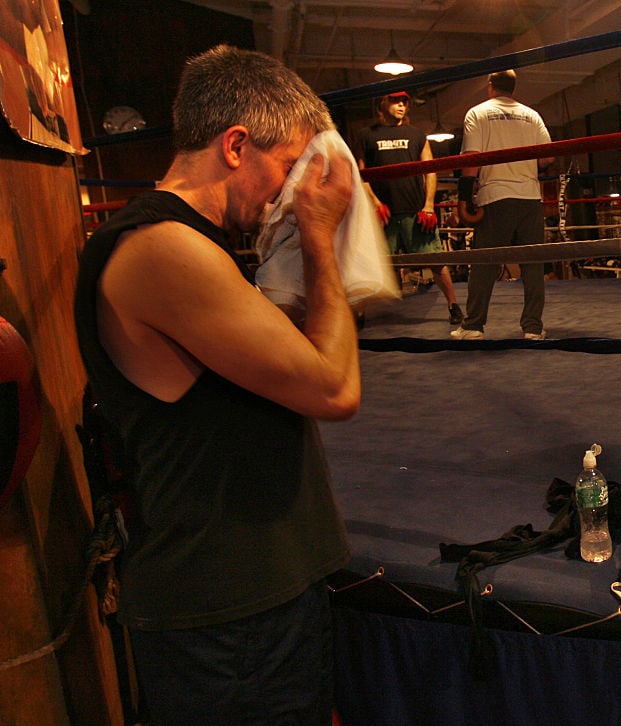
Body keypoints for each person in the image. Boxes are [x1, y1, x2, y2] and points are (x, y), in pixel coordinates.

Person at [73, 45, 358, 725]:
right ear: (236, 145)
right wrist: (318, 240)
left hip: (251, 603)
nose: (291, 194)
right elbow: (334, 388)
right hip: (227, 617)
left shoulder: (201, 246)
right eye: (288, 169)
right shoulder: (161, 248)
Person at [451, 69, 553, 340]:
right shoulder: (532, 115)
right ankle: (532, 328)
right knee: (533, 265)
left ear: (490, 86)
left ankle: (473, 326)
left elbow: (471, 158)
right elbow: (547, 159)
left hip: (495, 197)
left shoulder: (478, 113)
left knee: (484, 263)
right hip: (530, 198)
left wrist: (464, 198)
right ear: (514, 87)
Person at [357, 90, 463, 326]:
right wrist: (375, 202)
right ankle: (359, 313)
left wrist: (428, 205)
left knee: (436, 261)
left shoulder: (417, 134)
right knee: (371, 263)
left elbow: (430, 169)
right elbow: (361, 173)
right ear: (382, 103)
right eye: (395, 100)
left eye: (404, 101)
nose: (401, 105)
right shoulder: (367, 135)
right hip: (384, 214)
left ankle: (453, 305)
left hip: (415, 210)